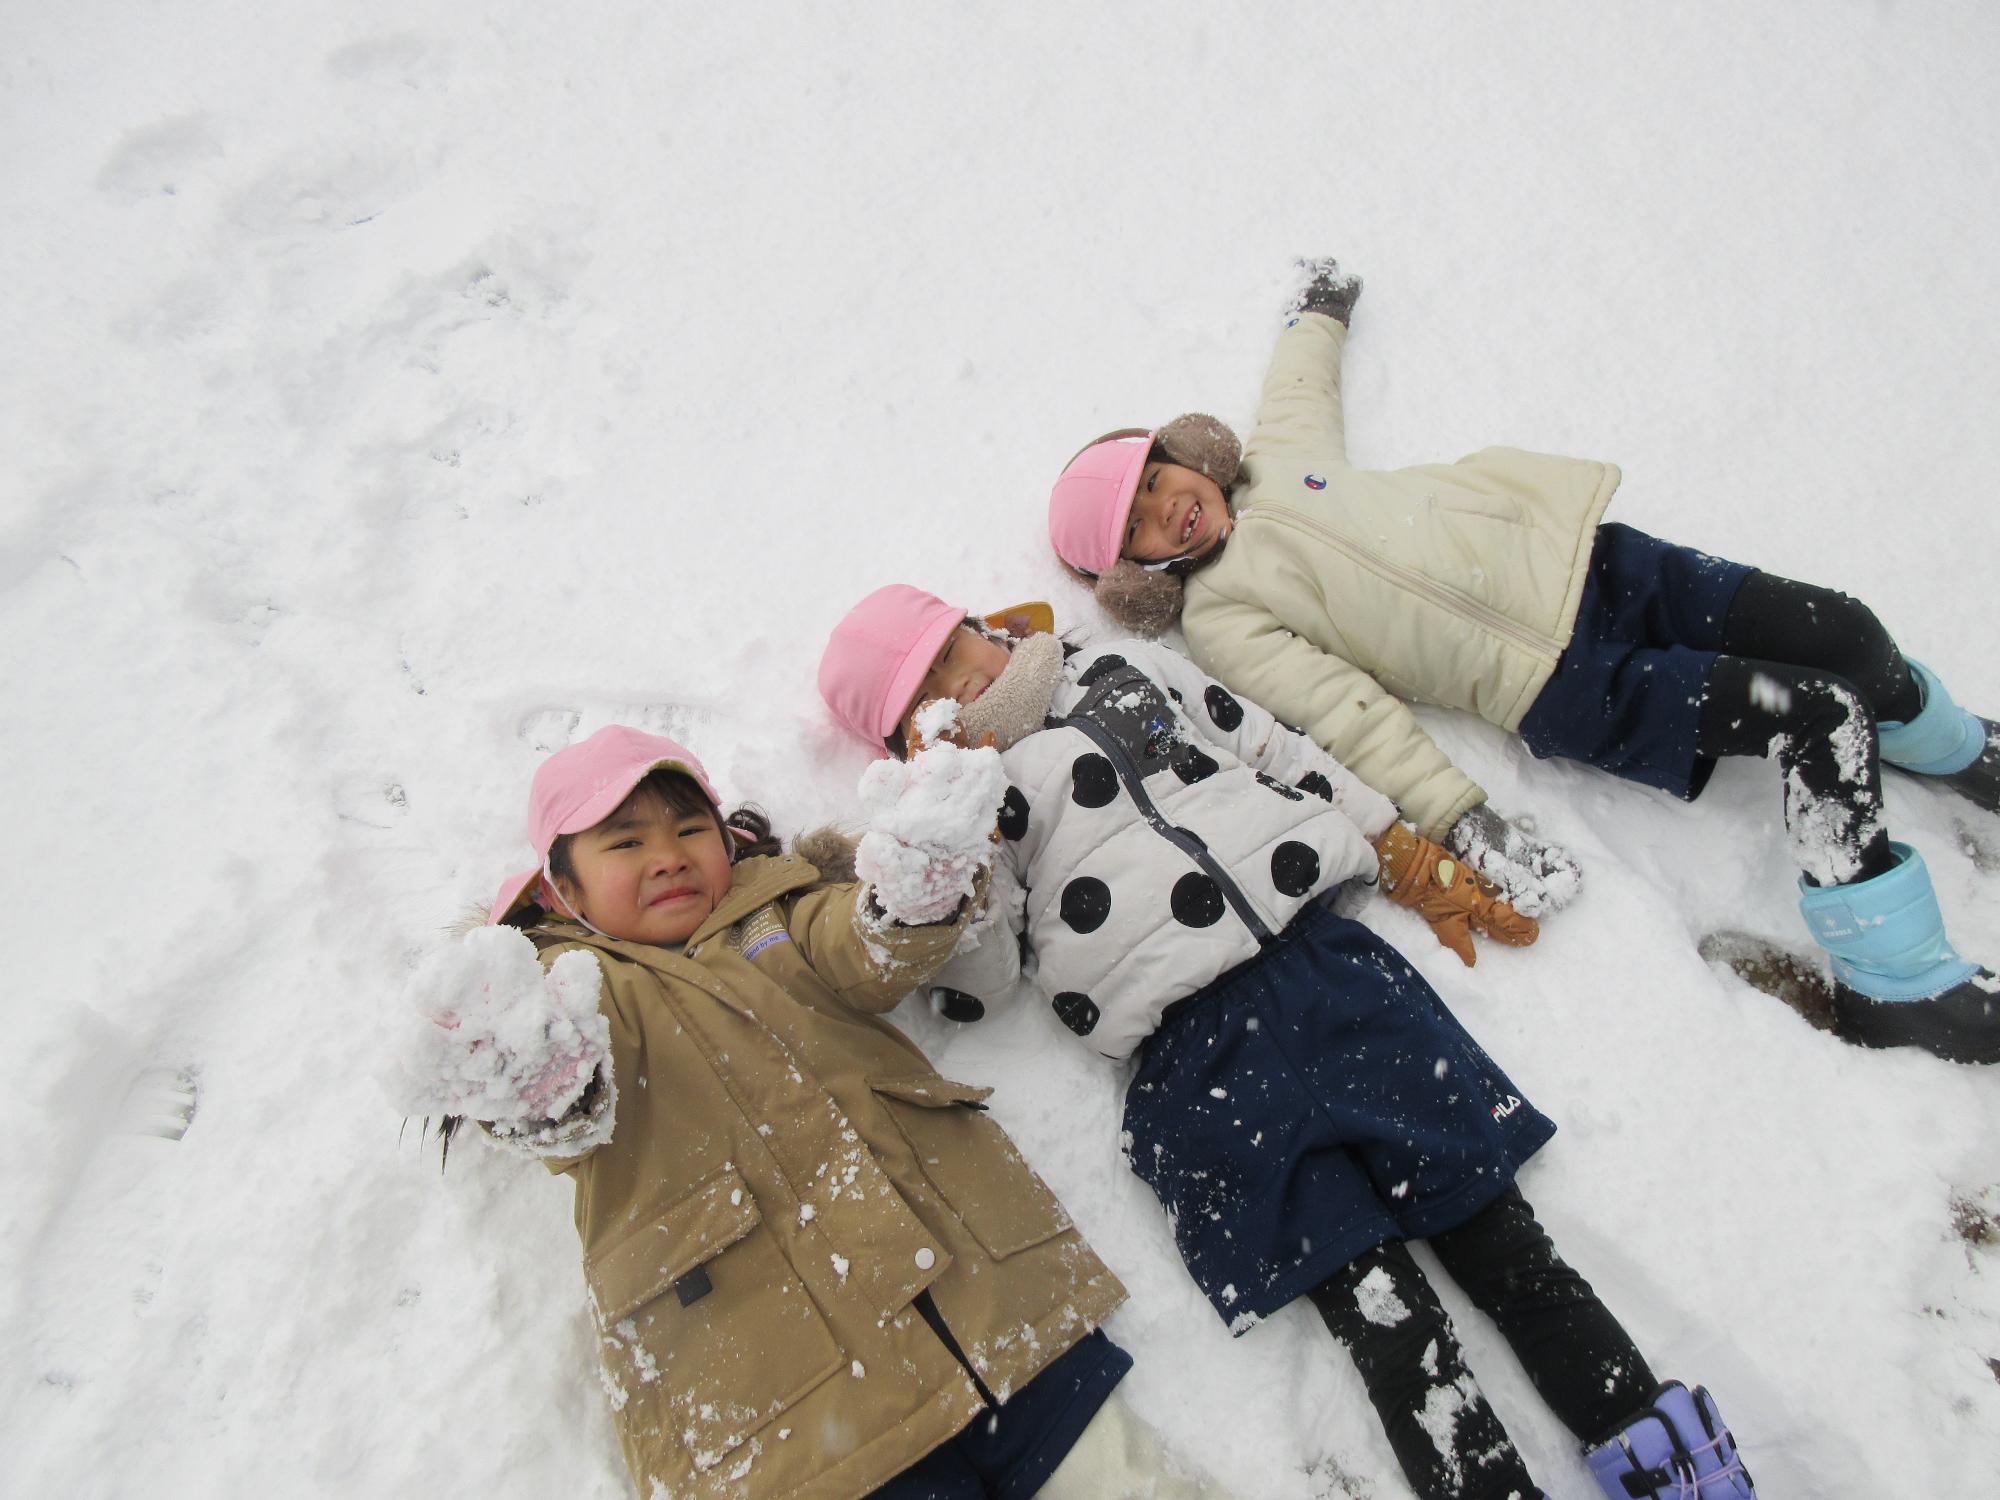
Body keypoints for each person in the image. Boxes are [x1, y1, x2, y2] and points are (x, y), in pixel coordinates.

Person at [817, 587, 1757, 1500]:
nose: (961, 679)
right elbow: (984, 987)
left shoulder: (1119, 666)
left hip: (1328, 978)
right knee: (1387, 1326)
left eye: (953, 648)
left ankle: (1670, 1461)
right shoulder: (968, 811)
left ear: (986, 626)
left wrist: (1393, 842)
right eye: (924, 695)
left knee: (1502, 1241)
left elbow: (1265, 742)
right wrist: (938, 881)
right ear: (908, 744)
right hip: (1196, 1068)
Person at [1044, 258, 2000, 1065]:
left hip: (1600, 563)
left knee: (1842, 629)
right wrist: (1464, 823)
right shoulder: (1223, 617)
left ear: (1188, 457)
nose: (1165, 508)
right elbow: (1345, 716)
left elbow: (1299, 385)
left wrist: (1316, 313)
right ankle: (1893, 978)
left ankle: (1952, 748)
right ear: (1142, 574)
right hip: (1567, 687)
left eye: (1157, 481)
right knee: (1816, 712)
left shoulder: (1278, 459)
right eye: (1138, 528)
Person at [395, 724, 1234, 1500]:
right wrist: (538, 1084)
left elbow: (860, 947)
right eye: (625, 842)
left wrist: (909, 899)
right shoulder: (567, 994)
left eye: (690, 830)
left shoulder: (776, 910)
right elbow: (568, 1113)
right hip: (798, 1408)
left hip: (979, 1307)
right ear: (560, 886)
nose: (668, 857)